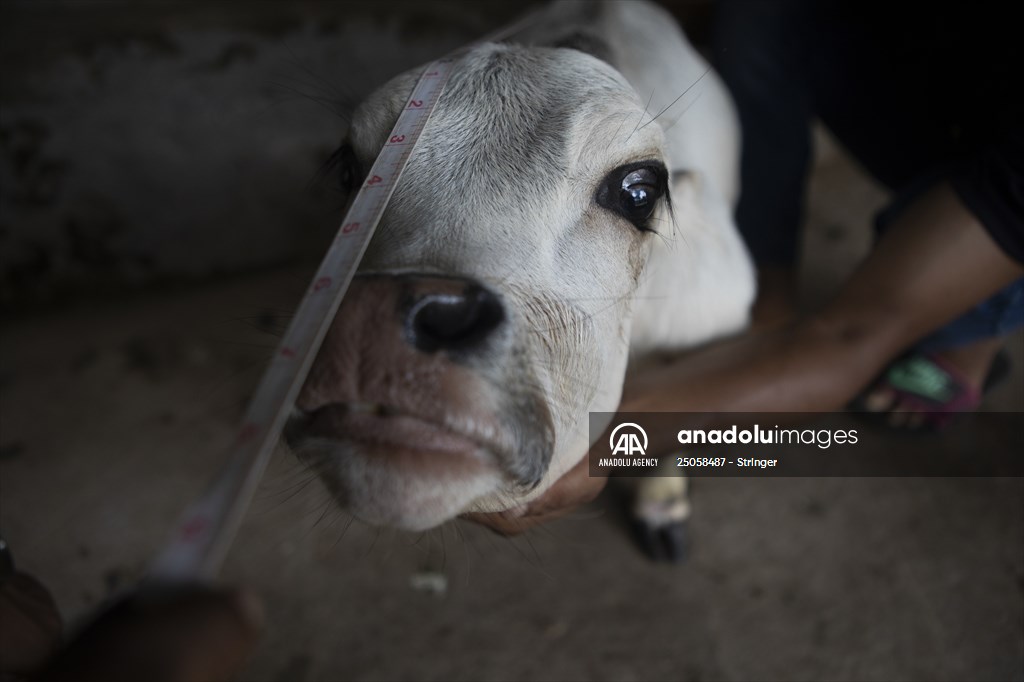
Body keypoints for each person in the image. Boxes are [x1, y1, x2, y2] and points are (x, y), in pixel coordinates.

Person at [470, 0, 1024, 535]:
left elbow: (851, 333)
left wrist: (598, 442)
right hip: (954, 67)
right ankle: (768, 301)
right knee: (763, 14)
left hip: (1001, 158)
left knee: (916, 296)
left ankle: (968, 337)